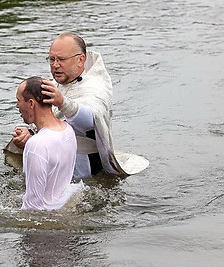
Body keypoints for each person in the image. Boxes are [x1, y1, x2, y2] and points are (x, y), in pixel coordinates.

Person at [9, 33, 148, 178]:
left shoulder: (94, 85)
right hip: (57, 159)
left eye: (61, 59)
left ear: (81, 59)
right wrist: (30, 133)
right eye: (52, 59)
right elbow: (46, 118)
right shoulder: (62, 80)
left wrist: (62, 102)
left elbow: (91, 120)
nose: (55, 65)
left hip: (86, 169)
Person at [15, 76, 81, 211]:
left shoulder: (36, 144)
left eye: (18, 100)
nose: (17, 106)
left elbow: (33, 206)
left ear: (31, 104)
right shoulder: (68, 130)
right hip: (63, 206)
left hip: (44, 220)